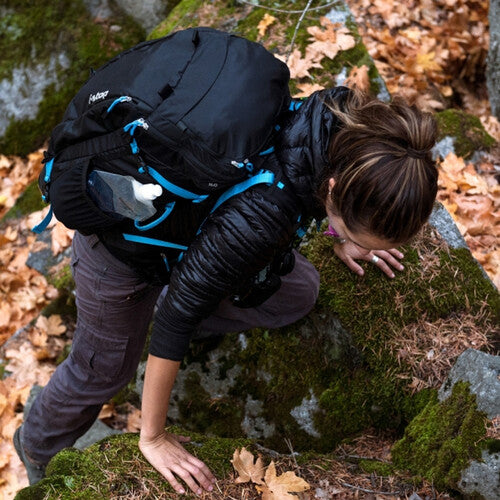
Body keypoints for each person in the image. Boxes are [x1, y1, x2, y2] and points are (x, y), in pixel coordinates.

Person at [14, 84, 438, 496]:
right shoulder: (261, 217)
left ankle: (178, 292)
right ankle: (37, 446)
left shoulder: (341, 117)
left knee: (299, 290)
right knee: (106, 369)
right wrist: (154, 436)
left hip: (193, 229)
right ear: (335, 190)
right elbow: (177, 317)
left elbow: (309, 183)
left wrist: (343, 233)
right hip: (119, 249)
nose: (360, 245)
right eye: (357, 233)